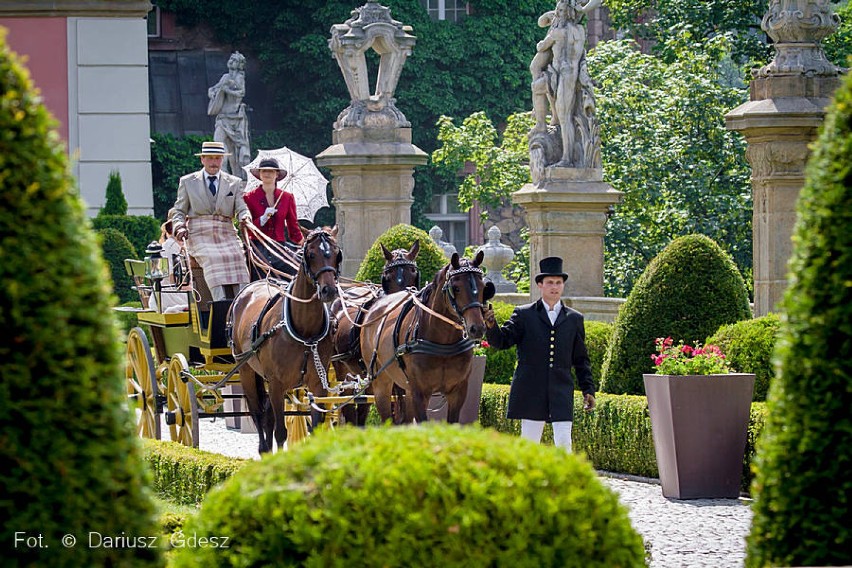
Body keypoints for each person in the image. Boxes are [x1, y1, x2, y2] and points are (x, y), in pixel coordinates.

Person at [483, 256, 596, 452]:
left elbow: (580, 359)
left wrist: (588, 390)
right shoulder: (524, 314)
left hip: (561, 390)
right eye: (550, 282)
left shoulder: (574, 319)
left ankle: (563, 482)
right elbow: (502, 342)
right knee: (529, 445)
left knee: (564, 443)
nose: (555, 287)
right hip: (531, 390)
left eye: (558, 283)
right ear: (540, 285)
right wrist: (491, 326)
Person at [171, 141, 251, 301]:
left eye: (218, 158)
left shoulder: (234, 183)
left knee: (238, 257)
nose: (214, 162)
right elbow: (178, 211)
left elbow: (242, 207)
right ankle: (220, 305)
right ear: (202, 159)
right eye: (210, 158)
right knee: (212, 258)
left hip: (226, 233)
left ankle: (243, 303)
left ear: (222, 160)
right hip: (199, 234)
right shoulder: (187, 182)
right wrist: (179, 226)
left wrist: (245, 217)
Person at [530, 0, 601, 167]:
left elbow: (541, 47)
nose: (558, 14)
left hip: (566, 74)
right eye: (558, 10)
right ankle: (542, 123)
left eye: (561, 11)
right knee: (537, 88)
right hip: (559, 73)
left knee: (565, 116)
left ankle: (567, 159)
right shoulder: (580, 30)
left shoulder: (557, 33)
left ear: (568, 13)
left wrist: (546, 38)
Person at [243, 158, 303, 279]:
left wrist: (303, 242)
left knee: (296, 271)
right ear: (259, 174)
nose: (267, 174)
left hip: (279, 247)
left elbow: (293, 227)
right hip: (257, 247)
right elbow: (247, 227)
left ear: (277, 174)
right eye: (264, 171)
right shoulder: (249, 197)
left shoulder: (287, 197)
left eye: (271, 171)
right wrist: (262, 219)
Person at [208, 51, 251, 177]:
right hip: (223, 118)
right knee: (218, 144)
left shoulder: (239, 77)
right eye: (231, 59)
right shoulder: (225, 77)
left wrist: (225, 90)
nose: (232, 61)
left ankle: (237, 178)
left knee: (234, 153)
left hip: (236, 119)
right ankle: (222, 174)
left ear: (240, 64)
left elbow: (241, 93)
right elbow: (213, 89)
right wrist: (212, 93)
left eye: (235, 60)